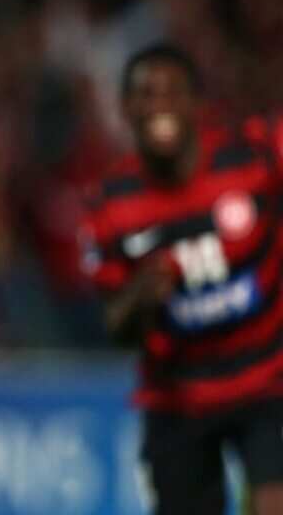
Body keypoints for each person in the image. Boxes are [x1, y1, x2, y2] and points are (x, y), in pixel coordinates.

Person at [82, 43, 283, 515]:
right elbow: (117, 329)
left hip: (269, 382)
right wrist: (139, 296)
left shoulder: (253, 157)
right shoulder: (110, 205)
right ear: (126, 110)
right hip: (178, 399)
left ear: (196, 104)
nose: (159, 106)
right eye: (145, 95)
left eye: (172, 92)